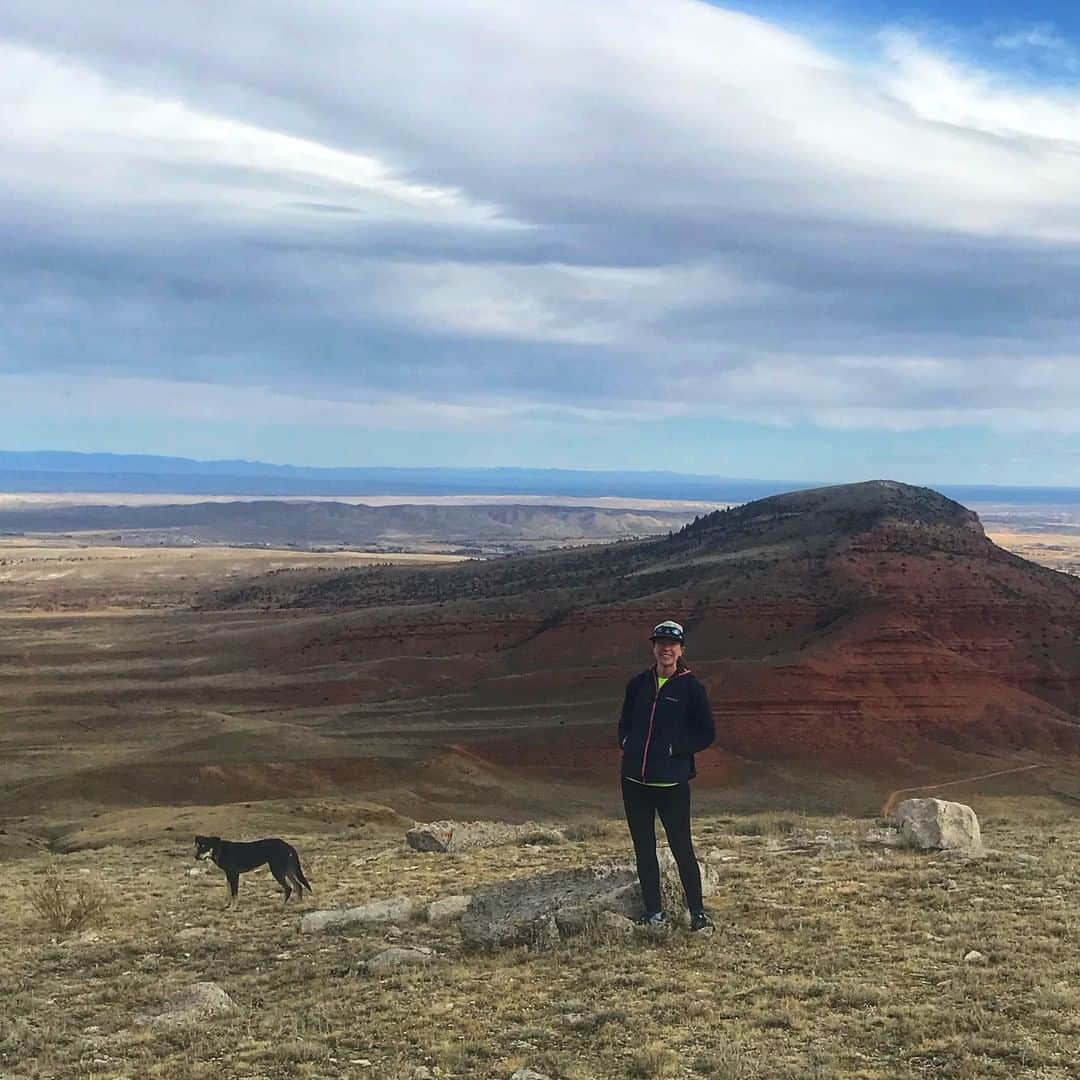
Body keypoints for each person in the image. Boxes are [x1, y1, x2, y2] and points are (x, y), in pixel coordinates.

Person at [618, 619, 716, 931]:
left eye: (672, 644)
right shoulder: (638, 684)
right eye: (661, 642)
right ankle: (653, 914)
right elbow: (624, 723)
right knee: (644, 849)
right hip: (635, 782)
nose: (666, 649)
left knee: (681, 848)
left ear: (681, 649)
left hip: (671, 783)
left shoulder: (691, 688)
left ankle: (697, 914)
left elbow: (707, 733)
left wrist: (676, 750)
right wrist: (627, 744)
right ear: (653, 647)